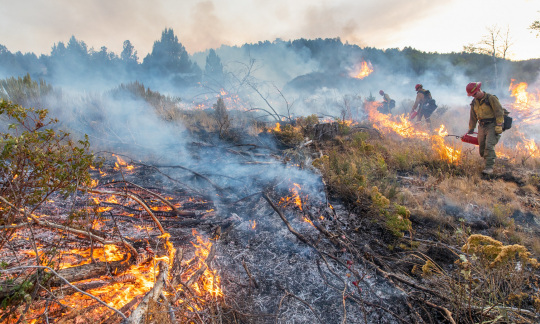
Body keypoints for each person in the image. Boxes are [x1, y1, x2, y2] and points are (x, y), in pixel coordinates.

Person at [466, 82, 504, 175]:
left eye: (475, 94)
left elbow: (499, 111)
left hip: (492, 125)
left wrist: (499, 125)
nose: (474, 96)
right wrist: (471, 128)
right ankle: (489, 161)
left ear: (479, 90)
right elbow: (473, 116)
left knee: (489, 145)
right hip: (481, 126)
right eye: (472, 95)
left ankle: (489, 168)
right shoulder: (474, 102)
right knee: (482, 147)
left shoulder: (491, 98)